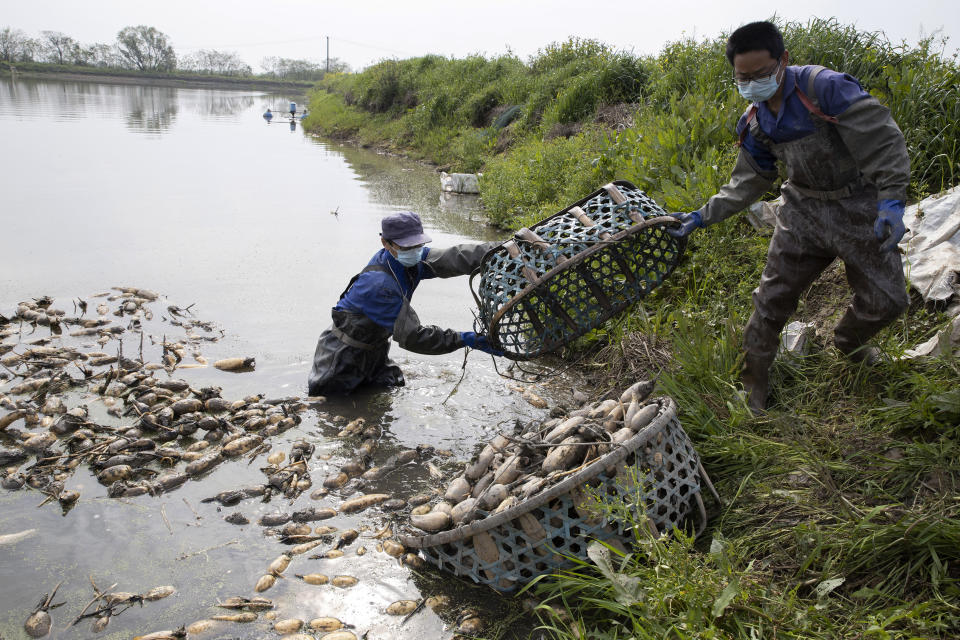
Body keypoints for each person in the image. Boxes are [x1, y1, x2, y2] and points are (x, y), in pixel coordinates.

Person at [668, 21, 910, 412]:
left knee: (888, 299)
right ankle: (753, 387)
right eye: (742, 77)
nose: (751, 83)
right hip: (802, 211)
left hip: (858, 205)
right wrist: (702, 216)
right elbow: (748, 181)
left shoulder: (825, 89)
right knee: (770, 301)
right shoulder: (755, 121)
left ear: (783, 61)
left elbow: (884, 142)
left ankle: (849, 342)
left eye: (760, 74)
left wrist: (892, 201)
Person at [307, 211, 502, 396]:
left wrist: (501, 250)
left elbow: (456, 257)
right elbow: (414, 337)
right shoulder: (380, 286)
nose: (415, 252)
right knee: (334, 410)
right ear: (386, 243)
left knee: (390, 391)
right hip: (341, 359)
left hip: (375, 352)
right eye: (406, 247)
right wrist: (465, 339)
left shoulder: (408, 259)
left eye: (417, 245)